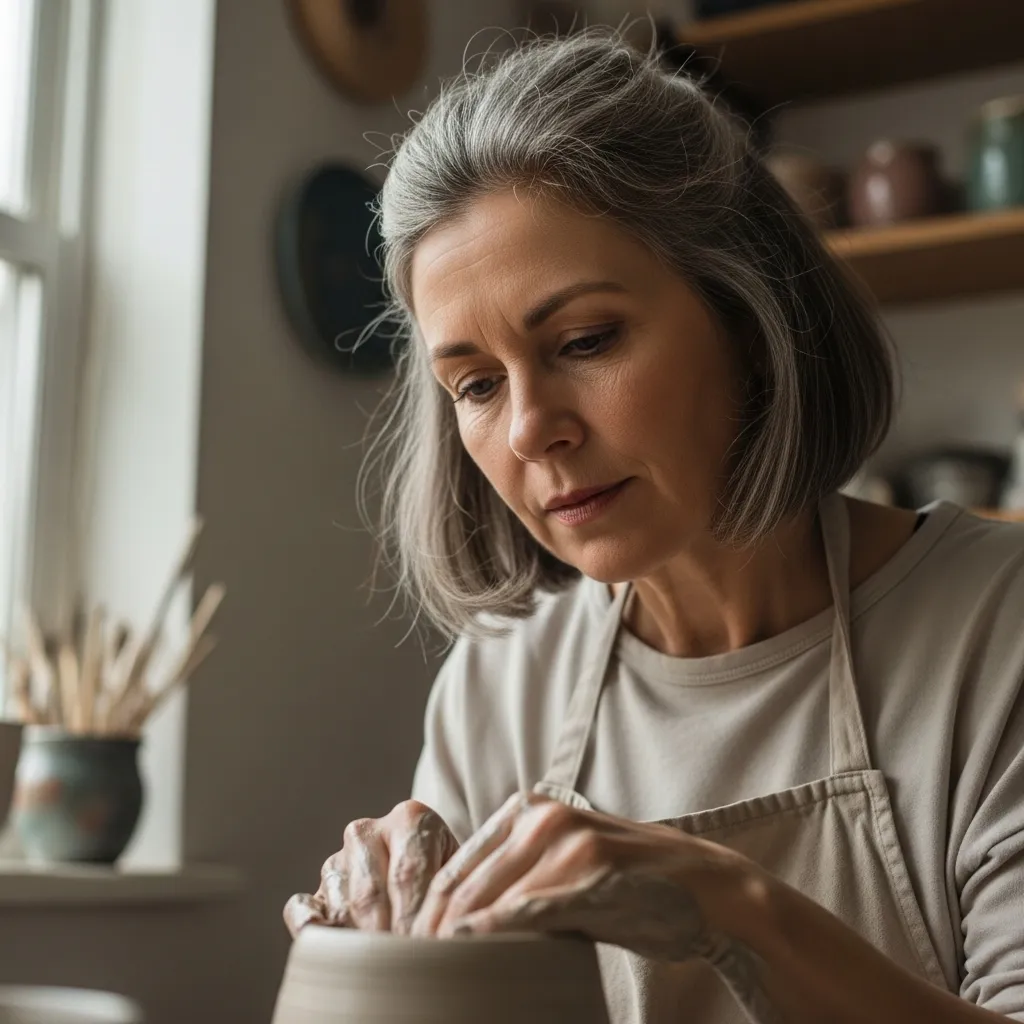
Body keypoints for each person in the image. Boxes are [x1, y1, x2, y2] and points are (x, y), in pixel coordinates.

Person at [284, 30, 1024, 1024]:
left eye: (584, 341)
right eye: (475, 383)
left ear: (751, 316)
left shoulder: (996, 630)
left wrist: (733, 912)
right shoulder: (500, 688)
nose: (531, 428)